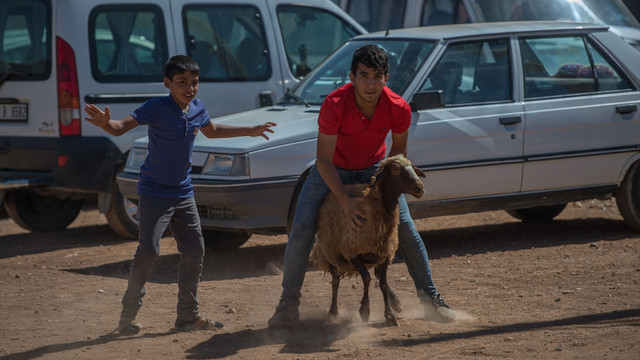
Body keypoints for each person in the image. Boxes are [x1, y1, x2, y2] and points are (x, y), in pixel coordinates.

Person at [84, 55, 276, 335]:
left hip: (184, 192)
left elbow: (212, 131)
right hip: (154, 191)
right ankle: (127, 318)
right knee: (149, 250)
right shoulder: (156, 107)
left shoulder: (197, 108)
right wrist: (104, 123)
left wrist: (252, 130)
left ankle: (188, 316)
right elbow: (120, 126)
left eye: (194, 82)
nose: (190, 88)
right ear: (167, 83)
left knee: (195, 250)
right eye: (182, 82)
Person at [268, 45, 456, 329]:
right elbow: (322, 160)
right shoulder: (333, 105)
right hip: (332, 168)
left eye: (377, 76)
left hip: (374, 168)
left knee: (407, 230)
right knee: (303, 228)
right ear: (352, 77)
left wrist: (386, 183)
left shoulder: (398, 107)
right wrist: (344, 200)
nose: (370, 83)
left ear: (386, 78)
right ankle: (287, 304)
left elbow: (398, 157)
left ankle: (431, 299)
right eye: (364, 75)